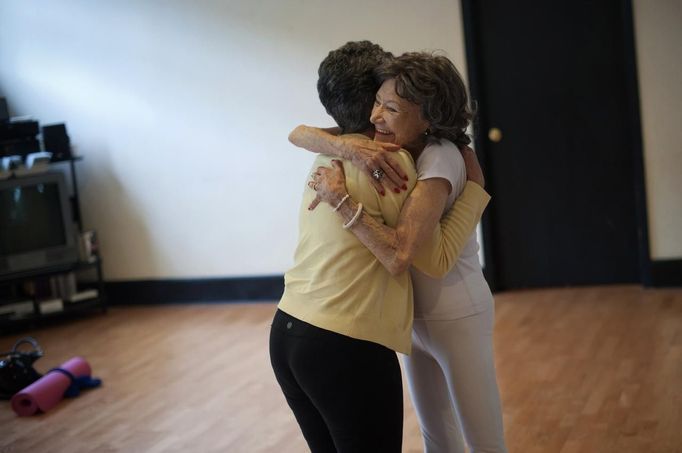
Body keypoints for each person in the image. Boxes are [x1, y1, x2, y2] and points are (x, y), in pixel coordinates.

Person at [270, 41, 491, 453]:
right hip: (342, 344)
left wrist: (342, 160)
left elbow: (298, 132)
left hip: (287, 332)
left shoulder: (325, 154)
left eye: (388, 105)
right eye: (379, 101)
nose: (379, 114)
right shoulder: (389, 163)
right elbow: (407, 256)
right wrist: (477, 191)